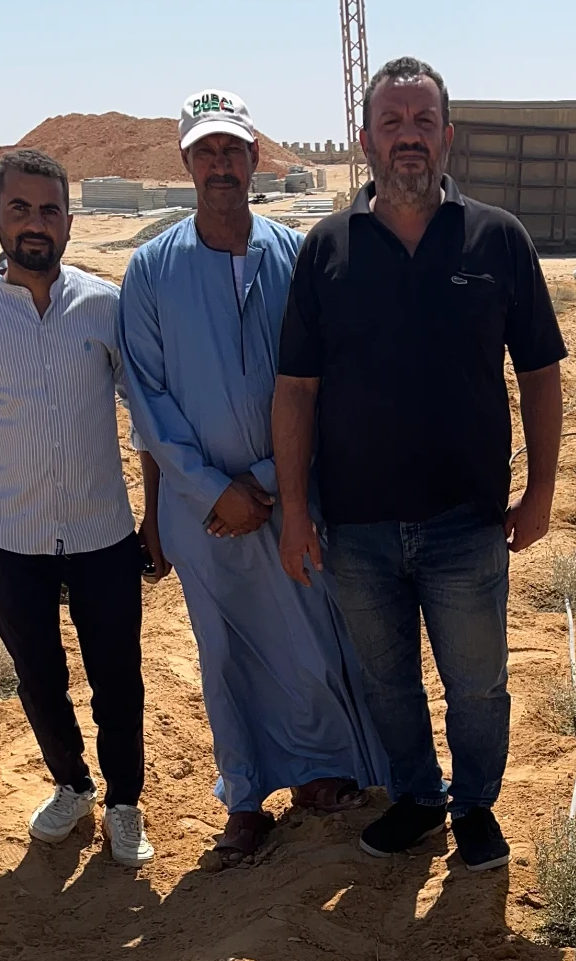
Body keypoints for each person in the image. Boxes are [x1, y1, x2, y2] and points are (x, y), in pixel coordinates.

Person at [272, 56, 566, 873]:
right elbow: (295, 390)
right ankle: (417, 797)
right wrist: (294, 509)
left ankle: (475, 806)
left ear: (447, 136)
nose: (409, 137)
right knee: (388, 682)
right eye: (392, 122)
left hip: (466, 521)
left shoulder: (497, 239)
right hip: (357, 526)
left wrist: (541, 491)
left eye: (423, 121)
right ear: (366, 139)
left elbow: (540, 372)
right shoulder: (326, 249)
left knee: (477, 684)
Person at [119, 90, 385, 866]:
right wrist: (214, 490)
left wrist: (267, 483)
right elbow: (148, 400)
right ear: (187, 163)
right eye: (206, 152)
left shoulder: (299, 256)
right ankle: (244, 796)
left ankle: (321, 770)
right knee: (225, 653)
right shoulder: (150, 270)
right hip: (202, 513)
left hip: (293, 495)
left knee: (312, 639)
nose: (220, 165)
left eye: (232, 150)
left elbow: (330, 377)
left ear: (254, 158)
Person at [0, 147, 157, 867]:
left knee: (117, 677)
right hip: (11, 535)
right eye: (21, 209)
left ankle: (124, 803)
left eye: (50, 210)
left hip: (102, 531)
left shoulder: (104, 305)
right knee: (38, 678)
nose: (36, 223)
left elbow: (144, 413)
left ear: (69, 220)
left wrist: (155, 514)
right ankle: (72, 785)